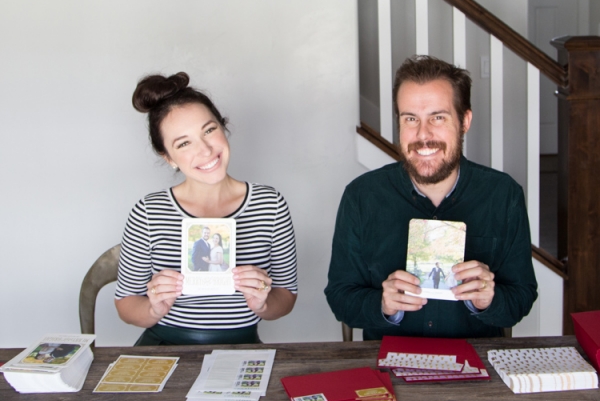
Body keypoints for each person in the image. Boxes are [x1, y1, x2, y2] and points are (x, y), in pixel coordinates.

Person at [325, 55, 538, 340]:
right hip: (388, 369)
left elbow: (522, 297)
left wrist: (490, 300)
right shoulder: (361, 197)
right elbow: (340, 297)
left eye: (438, 118)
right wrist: (382, 305)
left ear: (464, 121)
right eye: (410, 118)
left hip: (476, 368)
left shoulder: (503, 195)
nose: (423, 135)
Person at [115, 72, 298, 345]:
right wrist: (154, 308)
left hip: (242, 347)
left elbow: (286, 295)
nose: (205, 150)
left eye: (209, 130)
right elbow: (126, 304)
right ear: (168, 157)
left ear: (223, 128)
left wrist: (262, 303)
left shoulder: (270, 204)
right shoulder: (148, 212)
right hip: (164, 348)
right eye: (184, 143)